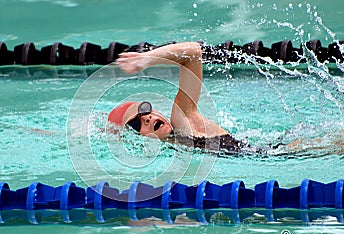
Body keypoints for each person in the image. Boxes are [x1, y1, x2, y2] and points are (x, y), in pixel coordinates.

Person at [107, 42, 270, 153]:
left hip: (275, 155)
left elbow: (193, 52)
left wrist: (148, 59)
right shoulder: (172, 144)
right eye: (136, 124)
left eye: (145, 110)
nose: (147, 118)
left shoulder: (183, 122)